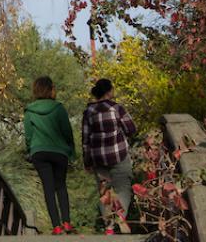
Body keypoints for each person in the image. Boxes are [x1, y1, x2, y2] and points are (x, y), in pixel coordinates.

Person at [82, 78, 138, 228]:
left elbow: (85, 140)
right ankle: (120, 218)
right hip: (118, 155)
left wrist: (87, 162)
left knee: (104, 191)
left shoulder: (88, 112)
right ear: (109, 91)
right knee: (123, 188)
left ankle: (109, 227)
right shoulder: (117, 108)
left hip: (98, 159)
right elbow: (132, 129)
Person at [23, 76, 76, 234]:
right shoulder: (59, 108)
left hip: (39, 152)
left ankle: (56, 226)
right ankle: (67, 223)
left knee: (48, 188)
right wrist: (71, 151)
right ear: (50, 89)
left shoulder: (29, 110)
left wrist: (30, 150)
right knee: (61, 186)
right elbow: (67, 132)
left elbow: (28, 135)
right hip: (59, 152)